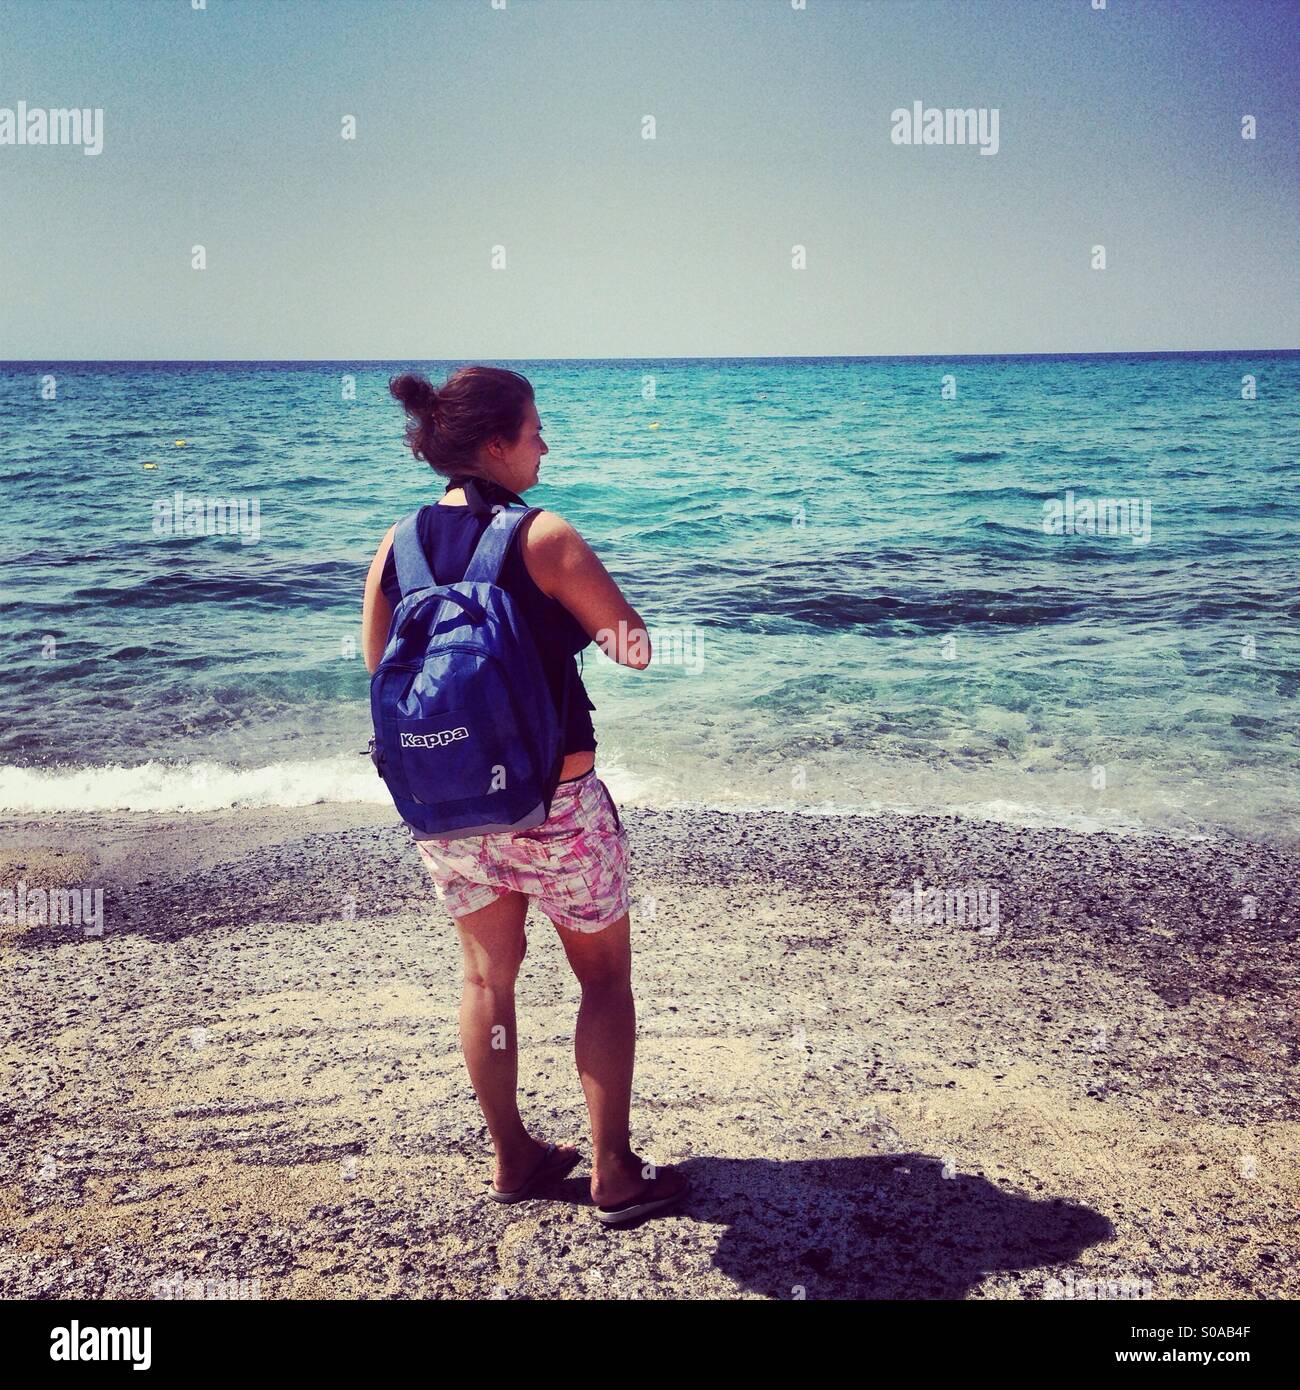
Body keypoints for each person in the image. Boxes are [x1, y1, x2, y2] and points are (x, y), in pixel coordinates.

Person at [361, 366, 689, 1225]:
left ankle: (515, 1157)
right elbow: (635, 648)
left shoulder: (394, 549)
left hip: (450, 808)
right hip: (557, 806)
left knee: (484, 980)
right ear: (496, 445)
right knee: (604, 979)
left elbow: (378, 675)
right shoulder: (543, 536)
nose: (547, 443)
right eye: (536, 429)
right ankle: (613, 1175)